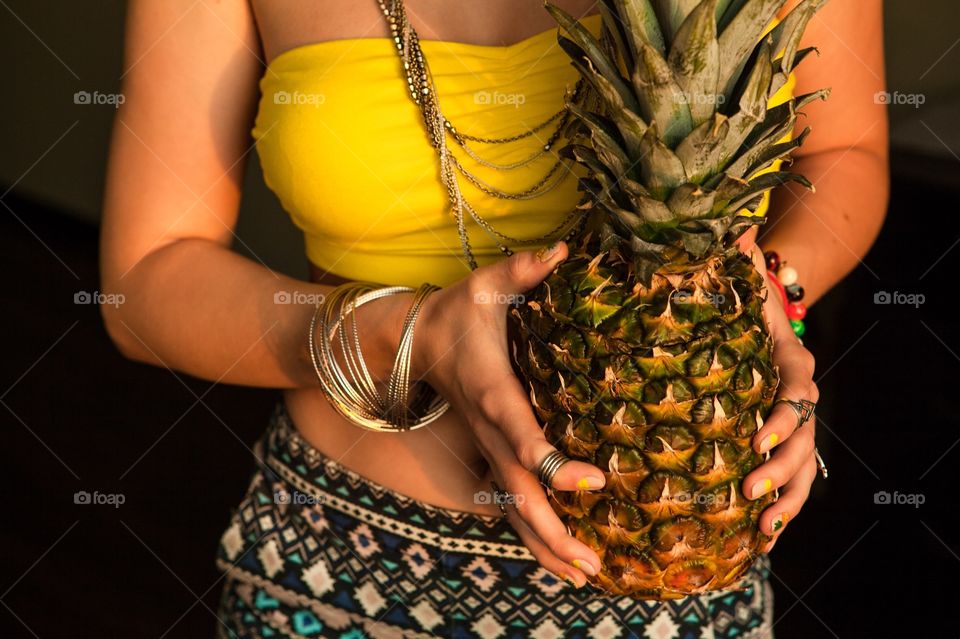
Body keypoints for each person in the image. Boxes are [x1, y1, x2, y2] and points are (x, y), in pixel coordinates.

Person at [100, 0, 888, 636]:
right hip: (338, 570)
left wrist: (767, 289)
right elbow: (144, 281)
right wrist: (410, 333)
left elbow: (849, 149)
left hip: (686, 586)